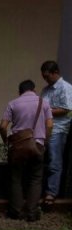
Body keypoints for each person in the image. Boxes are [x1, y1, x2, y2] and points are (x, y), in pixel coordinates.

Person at [0, 80, 53, 221]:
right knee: (35, 178)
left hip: (18, 147)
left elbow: (3, 126)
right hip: (38, 144)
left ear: (20, 92)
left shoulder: (13, 103)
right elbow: (50, 125)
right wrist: (44, 141)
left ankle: (16, 211)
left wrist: (6, 141)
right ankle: (31, 212)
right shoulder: (44, 103)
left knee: (15, 177)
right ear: (34, 90)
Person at [39, 61, 72, 207]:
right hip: (43, 129)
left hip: (58, 129)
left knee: (54, 160)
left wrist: (47, 111)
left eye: (47, 76)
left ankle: (51, 192)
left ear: (55, 73)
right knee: (42, 159)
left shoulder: (66, 88)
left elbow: (66, 109)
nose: (46, 79)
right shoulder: (46, 90)